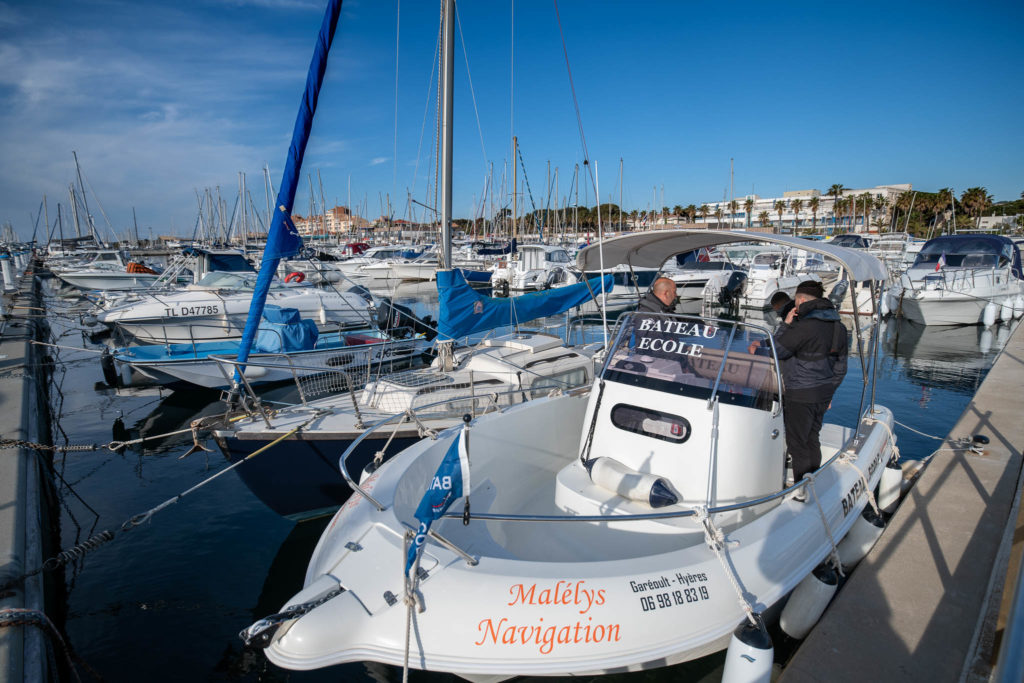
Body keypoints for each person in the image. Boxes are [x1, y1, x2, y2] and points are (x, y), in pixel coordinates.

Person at [754, 280, 849, 490]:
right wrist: (830, 391)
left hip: (799, 392)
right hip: (823, 393)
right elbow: (841, 366)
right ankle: (812, 481)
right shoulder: (839, 328)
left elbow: (776, 352)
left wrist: (785, 324)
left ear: (801, 299)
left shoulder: (804, 327)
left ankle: (802, 488)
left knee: (797, 445)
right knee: (812, 439)